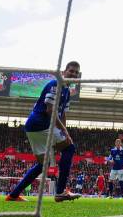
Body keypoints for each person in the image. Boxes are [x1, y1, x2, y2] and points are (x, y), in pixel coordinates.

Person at [6, 61, 80, 202]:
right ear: (64, 72)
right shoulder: (55, 84)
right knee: (69, 148)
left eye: (76, 72)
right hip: (40, 124)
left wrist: (65, 132)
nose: (74, 74)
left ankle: (13, 195)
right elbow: (50, 111)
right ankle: (60, 192)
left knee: (43, 164)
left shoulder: (67, 91)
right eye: (71, 71)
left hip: (37, 126)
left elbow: (62, 114)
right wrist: (64, 131)